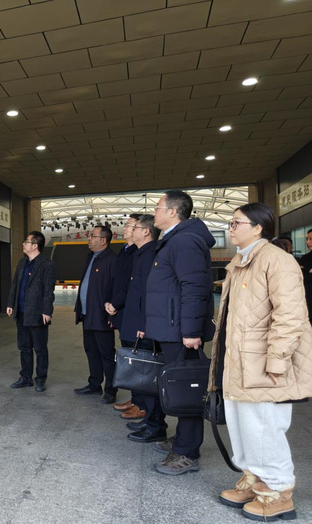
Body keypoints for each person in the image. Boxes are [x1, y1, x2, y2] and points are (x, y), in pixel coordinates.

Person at [209, 203, 312, 521]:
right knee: (243, 425)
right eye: (230, 222)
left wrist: (278, 361)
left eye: (237, 223)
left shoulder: (277, 260)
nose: (231, 228)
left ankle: (278, 491)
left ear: (258, 227)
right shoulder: (240, 261)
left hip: (265, 363)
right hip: (239, 360)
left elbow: (290, 316)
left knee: (265, 427)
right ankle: (254, 478)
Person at [145, 190, 216, 475]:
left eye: (158, 207)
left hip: (180, 331)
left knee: (187, 389)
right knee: (179, 387)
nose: (154, 212)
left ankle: (187, 452)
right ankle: (183, 440)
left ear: (173, 212)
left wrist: (191, 330)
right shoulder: (175, 239)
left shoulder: (184, 241)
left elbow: (195, 288)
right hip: (172, 327)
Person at [121, 214, 163, 442]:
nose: (131, 230)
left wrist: (144, 323)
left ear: (146, 231)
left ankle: (155, 426)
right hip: (135, 322)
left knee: (148, 377)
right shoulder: (140, 253)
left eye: (135, 227)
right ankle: (149, 419)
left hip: (142, 327)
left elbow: (149, 293)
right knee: (141, 376)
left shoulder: (149, 255)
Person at [105, 214, 144, 420]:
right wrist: (111, 304)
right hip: (121, 311)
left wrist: (116, 303)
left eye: (129, 225)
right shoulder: (126, 250)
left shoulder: (139, 253)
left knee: (138, 359)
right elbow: (117, 282)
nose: (125, 228)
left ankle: (141, 403)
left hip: (131, 312)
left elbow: (131, 285)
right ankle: (135, 398)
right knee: (129, 358)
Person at [7, 231, 56, 392]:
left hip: (37, 313)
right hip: (21, 312)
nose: (23, 244)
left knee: (40, 349)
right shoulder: (22, 263)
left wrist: (47, 311)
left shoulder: (47, 264)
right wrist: (11, 303)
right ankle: (26, 377)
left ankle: (41, 379)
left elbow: (48, 290)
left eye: (26, 242)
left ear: (35, 245)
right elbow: (15, 285)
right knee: (24, 348)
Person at [74, 226, 118, 404]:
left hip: (102, 316)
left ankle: (111, 390)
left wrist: (112, 315)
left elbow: (115, 289)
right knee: (91, 351)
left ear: (103, 240)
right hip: (87, 314)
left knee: (107, 354)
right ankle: (94, 384)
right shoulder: (90, 257)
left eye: (93, 236)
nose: (89, 239)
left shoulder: (112, 260)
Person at [298, 229, 312, 324]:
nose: (307, 242)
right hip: (308, 304)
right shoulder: (305, 258)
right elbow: (300, 277)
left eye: (311, 239)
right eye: (307, 239)